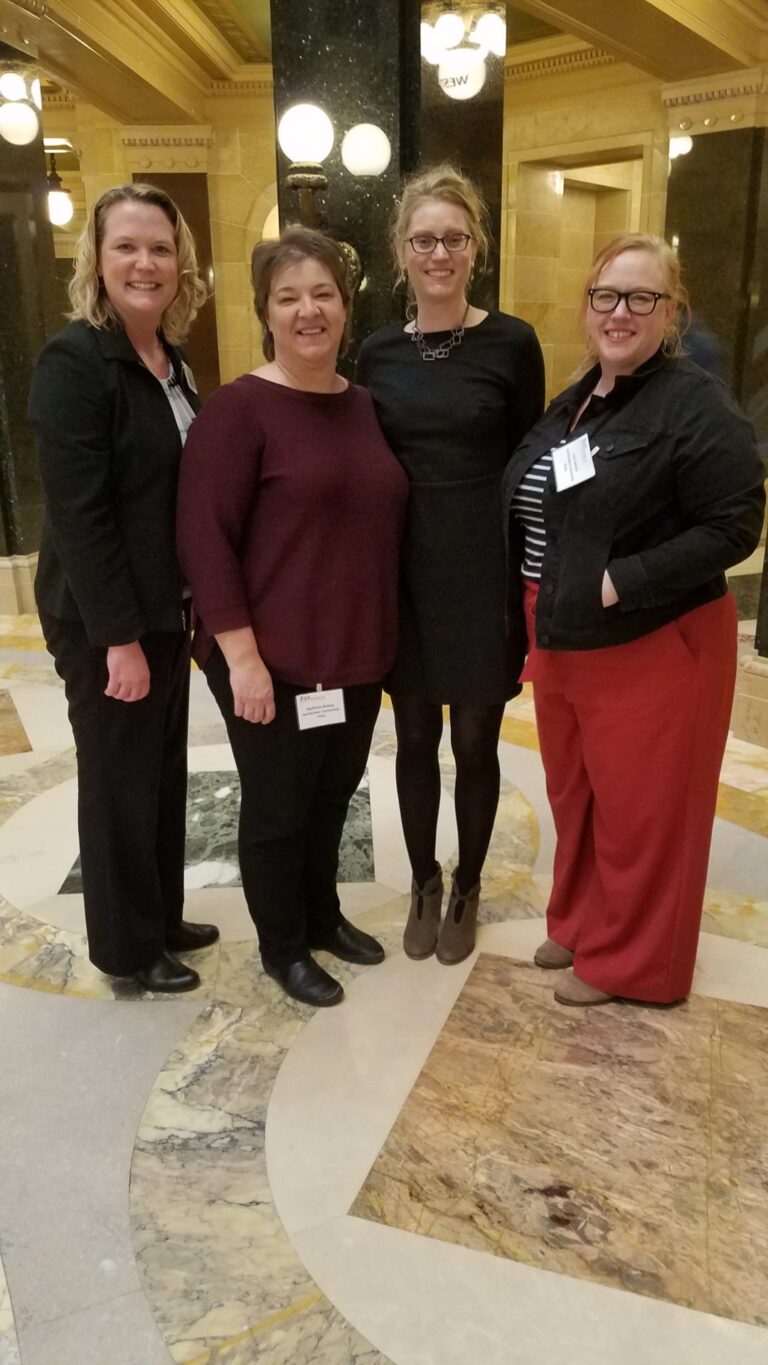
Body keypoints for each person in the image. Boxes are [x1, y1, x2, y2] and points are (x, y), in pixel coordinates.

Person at [502, 232, 766, 1006]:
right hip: (567, 637)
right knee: (577, 796)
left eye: (641, 297)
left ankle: (634, 965)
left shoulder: (694, 403)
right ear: (588, 306)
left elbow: (734, 525)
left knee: (644, 815)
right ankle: (582, 920)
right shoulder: (587, 391)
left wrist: (623, 579)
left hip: (653, 640)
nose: (620, 312)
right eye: (606, 296)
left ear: (671, 310)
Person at [177, 226, 408, 1008]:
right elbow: (203, 541)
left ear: (345, 307)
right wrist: (240, 658)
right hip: (268, 656)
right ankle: (283, 946)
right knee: (278, 807)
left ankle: (322, 915)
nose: (308, 310)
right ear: (266, 312)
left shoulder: (367, 405)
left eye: (323, 294)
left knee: (333, 793)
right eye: (289, 297)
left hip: (352, 650)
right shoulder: (238, 411)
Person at [29, 182, 217, 994]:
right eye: (127, 247)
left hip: (163, 611)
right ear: (97, 262)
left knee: (161, 770)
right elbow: (79, 516)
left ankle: (162, 912)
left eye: (161, 248)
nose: (146, 262)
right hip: (108, 620)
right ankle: (126, 948)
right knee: (117, 780)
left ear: (181, 265)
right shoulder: (76, 361)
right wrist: (118, 639)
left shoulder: (170, 363)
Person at [357, 165, 545, 966]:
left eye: (454, 239)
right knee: (409, 739)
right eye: (424, 239)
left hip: (481, 571)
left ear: (477, 250)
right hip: (403, 572)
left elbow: (529, 458)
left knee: (474, 742)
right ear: (401, 252)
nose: (440, 252)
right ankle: (424, 882)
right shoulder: (375, 352)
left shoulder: (512, 341)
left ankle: (468, 882)